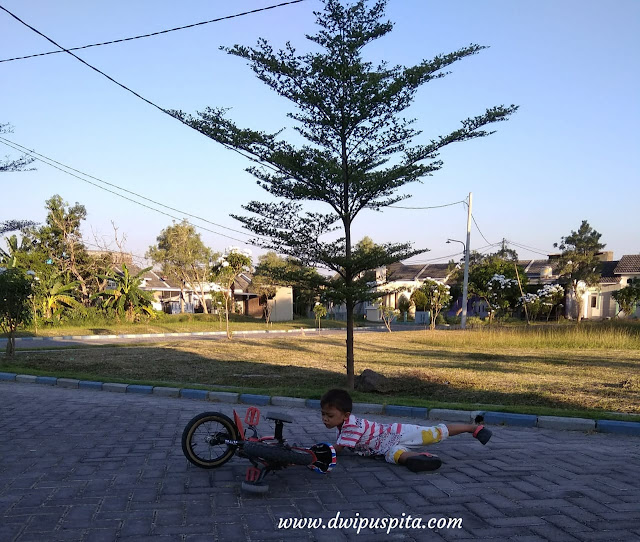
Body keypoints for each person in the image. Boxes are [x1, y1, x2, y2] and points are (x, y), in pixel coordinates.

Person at [320, 388, 492, 472]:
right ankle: (421, 459)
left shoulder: (351, 426)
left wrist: (314, 453)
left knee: (433, 434)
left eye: (329, 415)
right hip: (383, 449)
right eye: (323, 415)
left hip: (397, 433)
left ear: (345, 415)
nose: (325, 419)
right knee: (396, 456)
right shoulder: (342, 426)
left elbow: (338, 449)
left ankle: (473, 427)